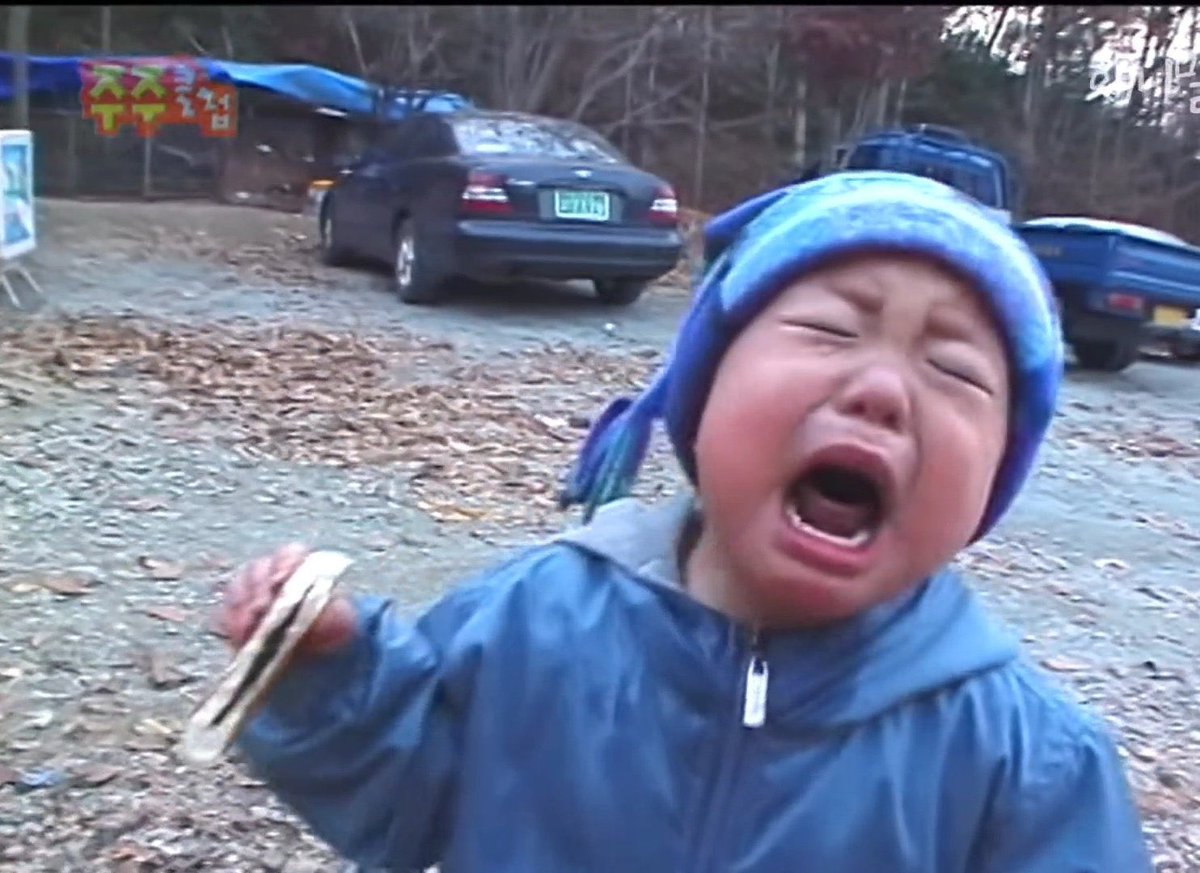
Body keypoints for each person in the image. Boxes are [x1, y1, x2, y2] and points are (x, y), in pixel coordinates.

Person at [218, 171, 1153, 872]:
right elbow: (396, 803)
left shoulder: (1029, 762)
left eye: (953, 370)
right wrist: (324, 676)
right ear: (702, 395)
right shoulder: (535, 618)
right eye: (830, 330)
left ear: (993, 481)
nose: (881, 389)